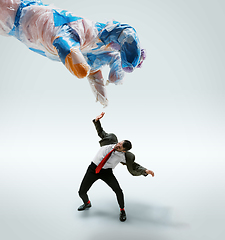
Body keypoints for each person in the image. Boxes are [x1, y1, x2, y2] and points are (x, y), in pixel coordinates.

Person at [0, 0, 146, 107]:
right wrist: (72, 55)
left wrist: (95, 79)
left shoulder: (92, 46)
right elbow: (63, 41)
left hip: (17, 24)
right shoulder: (83, 31)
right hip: (20, 14)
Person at [78, 112, 154, 222]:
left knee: (118, 190)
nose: (117, 146)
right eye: (118, 144)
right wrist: (97, 120)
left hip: (106, 173)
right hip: (92, 169)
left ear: (124, 150)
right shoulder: (110, 140)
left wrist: (145, 171)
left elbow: (134, 166)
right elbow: (101, 132)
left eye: (119, 147)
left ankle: (122, 210)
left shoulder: (124, 156)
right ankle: (87, 203)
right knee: (81, 192)